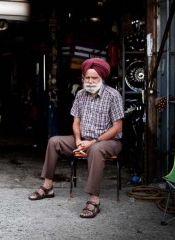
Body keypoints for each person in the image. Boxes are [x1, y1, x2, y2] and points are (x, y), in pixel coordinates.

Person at [28, 57, 124, 219]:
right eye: (88, 77)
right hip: (84, 139)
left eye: (95, 78)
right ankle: (48, 186)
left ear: (102, 78)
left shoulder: (113, 95)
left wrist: (92, 142)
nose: (91, 81)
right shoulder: (80, 94)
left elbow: (117, 127)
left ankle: (94, 199)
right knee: (54, 141)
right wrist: (79, 140)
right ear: (83, 78)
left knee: (96, 149)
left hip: (108, 142)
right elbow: (76, 122)